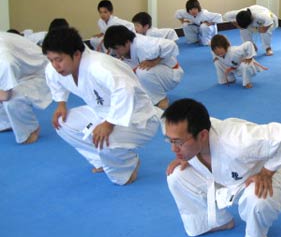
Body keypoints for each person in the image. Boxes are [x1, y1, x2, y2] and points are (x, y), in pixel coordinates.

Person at [163, 98, 281, 237]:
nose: (173, 149)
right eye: (170, 141)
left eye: (178, 142)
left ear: (202, 135)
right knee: (176, 175)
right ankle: (218, 222)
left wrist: (267, 172)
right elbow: (181, 139)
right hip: (224, 177)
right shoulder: (188, 132)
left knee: (258, 200)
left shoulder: (238, 139)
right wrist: (186, 155)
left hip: (259, 178)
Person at [43, 27, 161, 185]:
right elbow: (53, 80)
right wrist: (61, 104)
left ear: (76, 54)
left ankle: (127, 166)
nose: (55, 65)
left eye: (58, 60)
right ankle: (101, 160)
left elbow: (125, 90)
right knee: (62, 122)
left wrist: (109, 123)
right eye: (51, 60)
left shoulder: (99, 66)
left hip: (137, 117)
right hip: (101, 111)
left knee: (106, 142)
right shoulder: (55, 68)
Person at [104, 25, 183, 109]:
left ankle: (162, 101)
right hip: (157, 72)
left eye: (116, 49)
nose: (115, 52)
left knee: (142, 71)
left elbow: (171, 45)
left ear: (127, 42)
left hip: (171, 73)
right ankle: (148, 98)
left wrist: (155, 61)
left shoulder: (144, 44)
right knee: (124, 71)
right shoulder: (124, 48)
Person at [0, 32, 52, 144]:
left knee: (12, 100)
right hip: (22, 71)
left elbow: (5, 96)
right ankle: (6, 122)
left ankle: (30, 130)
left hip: (41, 73)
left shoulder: (4, 59)